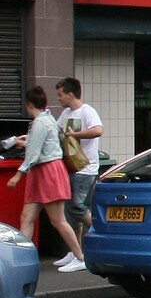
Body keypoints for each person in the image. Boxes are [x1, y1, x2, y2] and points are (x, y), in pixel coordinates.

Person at [5, 86, 85, 271]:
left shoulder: (40, 122)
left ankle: (80, 257)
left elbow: (34, 153)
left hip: (46, 172)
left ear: (29, 104)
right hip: (44, 173)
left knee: (57, 220)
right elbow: (43, 144)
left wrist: (18, 175)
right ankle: (23, 259)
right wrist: (23, 141)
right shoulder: (47, 119)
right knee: (27, 217)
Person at [55, 76, 102, 260]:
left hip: (85, 168)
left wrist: (75, 134)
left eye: (60, 95)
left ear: (70, 94)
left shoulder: (87, 111)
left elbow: (98, 130)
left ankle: (99, 227)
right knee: (70, 210)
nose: (58, 98)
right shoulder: (66, 114)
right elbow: (56, 129)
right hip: (71, 167)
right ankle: (76, 252)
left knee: (76, 206)